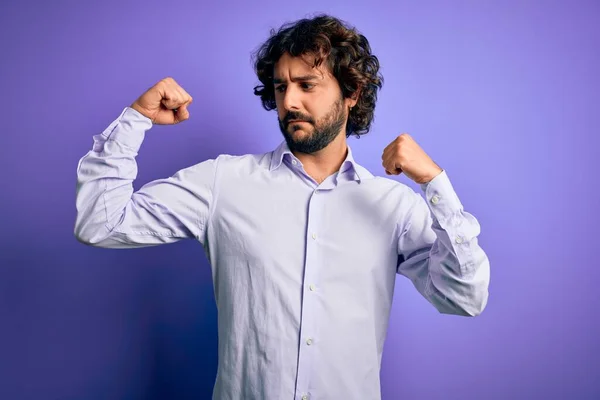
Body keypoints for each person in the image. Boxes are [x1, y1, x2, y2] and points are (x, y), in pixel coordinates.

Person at [74, 14, 490, 400]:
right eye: (280, 86)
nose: (288, 101)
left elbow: (464, 297)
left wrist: (435, 183)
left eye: (307, 85)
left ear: (352, 93)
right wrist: (135, 119)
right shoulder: (224, 182)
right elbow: (100, 223)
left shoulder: (392, 206)